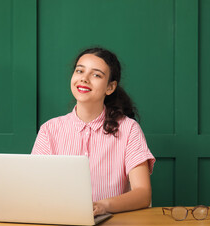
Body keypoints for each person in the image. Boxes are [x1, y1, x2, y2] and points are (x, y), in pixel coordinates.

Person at [32, 47, 155, 216]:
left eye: (96, 75)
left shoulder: (129, 129)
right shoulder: (49, 130)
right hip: (62, 224)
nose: (84, 78)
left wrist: (103, 206)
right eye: (79, 71)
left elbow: (143, 194)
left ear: (110, 87)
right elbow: (35, 188)